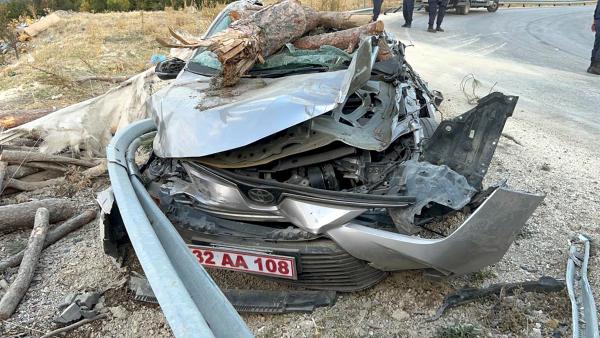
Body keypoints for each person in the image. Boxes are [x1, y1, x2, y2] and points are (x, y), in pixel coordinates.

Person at [588, 0, 600, 74]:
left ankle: (592, 65)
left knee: (597, 43)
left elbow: (596, 12)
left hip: (598, 21)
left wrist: (594, 23)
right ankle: (597, 66)